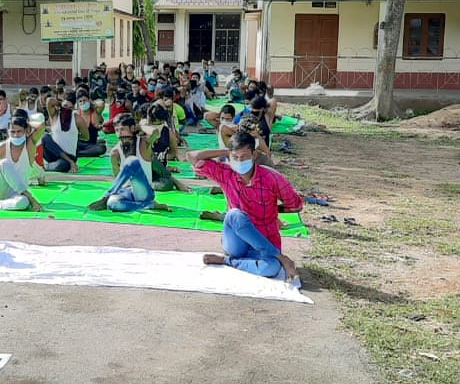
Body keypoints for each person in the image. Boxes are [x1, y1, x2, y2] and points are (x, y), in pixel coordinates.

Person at [188, 131, 303, 282]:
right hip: (236, 242)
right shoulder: (225, 173)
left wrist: (273, 208)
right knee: (235, 214)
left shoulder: (272, 177)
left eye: (244, 157)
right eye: (235, 157)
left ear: (254, 155)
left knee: (271, 268)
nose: (239, 161)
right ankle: (282, 258)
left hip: (265, 241)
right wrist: (226, 151)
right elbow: (192, 157)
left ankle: (227, 261)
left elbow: (296, 205)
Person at [88, 113, 172, 213]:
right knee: (112, 203)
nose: (119, 134)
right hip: (127, 193)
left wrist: (140, 126)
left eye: (122, 129)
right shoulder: (115, 153)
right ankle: (148, 205)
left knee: (131, 161)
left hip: (143, 193)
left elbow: (155, 132)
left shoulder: (143, 144)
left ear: (132, 128)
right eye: (117, 130)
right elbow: (117, 179)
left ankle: (107, 195)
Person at [0, 113, 45, 212]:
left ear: (26, 131)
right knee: (4, 163)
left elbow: (41, 127)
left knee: (23, 203)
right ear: (8, 132)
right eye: (12, 132)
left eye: (19, 131)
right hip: (1, 190)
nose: (15, 135)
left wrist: (26, 123)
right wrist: (1, 168)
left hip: (18, 193)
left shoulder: (30, 144)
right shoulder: (3, 146)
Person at [41, 96, 79, 172]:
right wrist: (62, 104)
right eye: (65, 106)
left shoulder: (76, 118)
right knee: (45, 137)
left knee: (63, 165)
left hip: (68, 157)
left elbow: (86, 137)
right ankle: (45, 167)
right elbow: (49, 100)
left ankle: (51, 166)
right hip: (53, 153)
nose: (67, 109)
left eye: (70, 108)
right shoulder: (54, 115)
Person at [75, 93, 107, 157]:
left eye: (85, 100)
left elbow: (101, 103)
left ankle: (78, 154)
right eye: (80, 101)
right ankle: (80, 152)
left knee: (102, 148)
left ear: (89, 101)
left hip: (91, 145)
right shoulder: (77, 114)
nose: (83, 103)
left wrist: (92, 103)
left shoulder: (95, 113)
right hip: (79, 144)